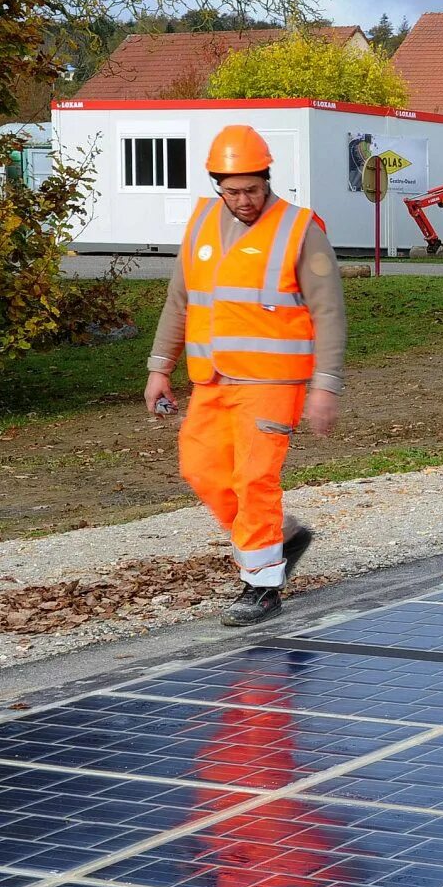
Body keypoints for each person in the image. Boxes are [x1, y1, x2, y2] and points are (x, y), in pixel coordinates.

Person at [143, 125, 346, 626]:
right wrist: (158, 367)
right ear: (217, 186)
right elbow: (180, 301)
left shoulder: (301, 229)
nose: (244, 200)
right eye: (232, 191)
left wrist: (325, 385)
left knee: (254, 478)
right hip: (211, 379)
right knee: (202, 471)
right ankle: (283, 537)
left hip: (273, 382)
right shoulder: (202, 223)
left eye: (253, 189)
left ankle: (261, 587)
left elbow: (330, 314)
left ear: (268, 180)